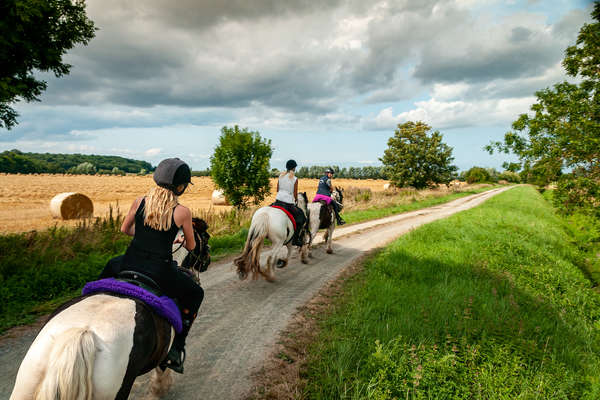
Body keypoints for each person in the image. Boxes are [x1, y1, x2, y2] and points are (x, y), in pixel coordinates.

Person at [99, 158, 203, 374]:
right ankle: (176, 348)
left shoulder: (139, 201)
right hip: (159, 271)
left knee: (104, 274)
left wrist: (149, 238)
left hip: (129, 262)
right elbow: (191, 245)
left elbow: (125, 229)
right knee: (196, 293)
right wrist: (170, 240)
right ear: (181, 187)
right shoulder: (182, 212)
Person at [273, 159, 307, 246]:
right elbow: (295, 193)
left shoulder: (281, 176)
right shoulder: (295, 179)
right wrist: (295, 200)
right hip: (287, 203)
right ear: (294, 168)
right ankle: (296, 239)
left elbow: (277, 189)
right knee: (302, 217)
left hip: (278, 201)